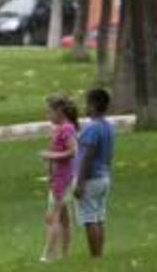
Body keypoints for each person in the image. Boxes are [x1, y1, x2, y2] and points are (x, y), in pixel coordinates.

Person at [75, 88, 115, 258]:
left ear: (94, 105)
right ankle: (99, 253)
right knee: (98, 217)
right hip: (104, 176)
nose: (85, 107)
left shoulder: (91, 128)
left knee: (90, 219)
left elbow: (87, 155)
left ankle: (95, 255)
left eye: (87, 103)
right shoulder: (108, 126)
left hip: (91, 178)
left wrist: (80, 182)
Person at [40, 96, 79, 261]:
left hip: (63, 179)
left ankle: (48, 255)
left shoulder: (66, 129)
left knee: (51, 217)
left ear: (59, 112)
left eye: (49, 111)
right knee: (63, 217)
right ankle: (64, 254)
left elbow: (72, 151)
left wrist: (50, 155)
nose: (47, 115)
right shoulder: (59, 129)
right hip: (58, 177)